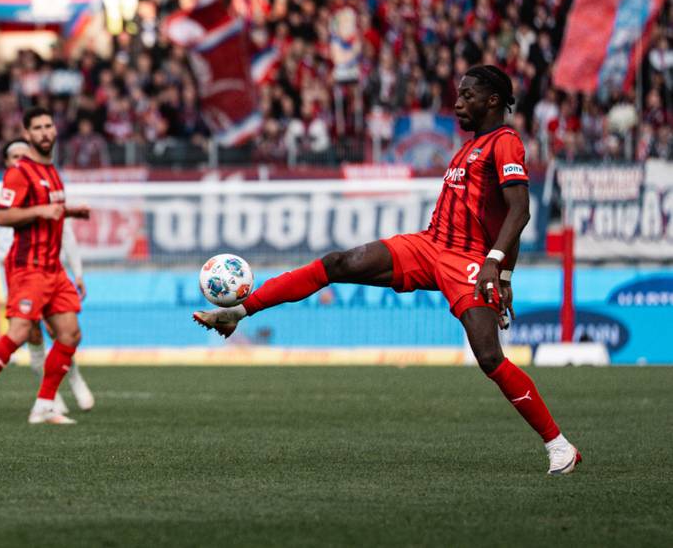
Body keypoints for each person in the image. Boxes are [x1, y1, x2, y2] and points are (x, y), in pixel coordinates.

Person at [193, 65, 581, 476]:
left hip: (467, 260)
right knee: (337, 263)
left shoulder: (505, 143)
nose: (457, 102)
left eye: (467, 95)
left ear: (493, 101)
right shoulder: (469, 147)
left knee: (488, 356)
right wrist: (502, 276)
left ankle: (559, 446)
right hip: (428, 245)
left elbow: (519, 211)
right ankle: (239, 312)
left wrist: (496, 268)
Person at [0, 107, 91, 424]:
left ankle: (44, 405)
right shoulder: (20, 172)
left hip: (53, 268)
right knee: (21, 332)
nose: (45, 132)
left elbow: (52, 214)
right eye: (38, 128)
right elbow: (5, 216)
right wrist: (40, 211)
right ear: (28, 134)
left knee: (69, 333)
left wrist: (71, 212)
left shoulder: (52, 172)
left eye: (49, 126)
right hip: (29, 266)